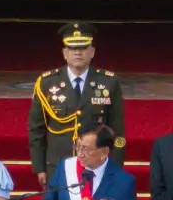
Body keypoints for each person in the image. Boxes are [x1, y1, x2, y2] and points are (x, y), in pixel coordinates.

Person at [28, 23, 125, 186]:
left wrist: (114, 166)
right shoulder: (46, 83)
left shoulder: (109, 82)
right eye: (72, 48)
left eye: (83, 47)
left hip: (97, 165)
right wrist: (40, 167)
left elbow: (117, 131)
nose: (78, 52)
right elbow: (36, 129)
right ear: (64, 53)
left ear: (92, 51)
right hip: (58, 165)